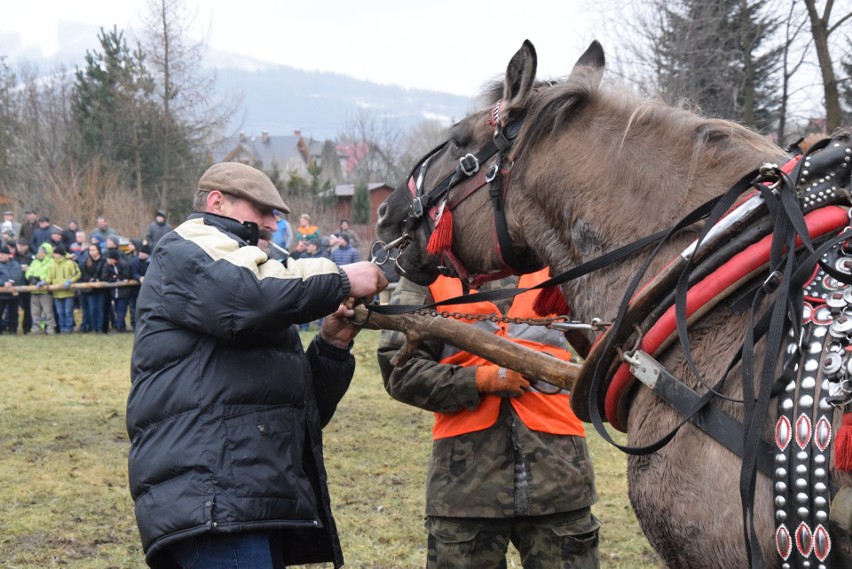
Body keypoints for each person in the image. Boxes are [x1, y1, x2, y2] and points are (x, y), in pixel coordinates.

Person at [126, 162, 388, 569]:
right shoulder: (187, 249)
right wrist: (340, 277)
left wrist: (332, 345)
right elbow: (249, 297)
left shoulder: (246, 273)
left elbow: (298, 412)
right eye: (262, 209)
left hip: (246, 497)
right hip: (214, 500)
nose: (272, 222)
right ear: (216, 202)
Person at [377, 269, 600, 569]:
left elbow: (610, 346)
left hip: (559, 474)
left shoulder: (556, 261)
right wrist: (480, 380)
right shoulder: (427, 272)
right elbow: (399, 370)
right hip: (465, 482)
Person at [45, 244, 81, 334]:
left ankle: (68, 328)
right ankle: (62, 328)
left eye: (55, 253)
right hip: (57, 293)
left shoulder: (70, 263)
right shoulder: (52, 265)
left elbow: (77, 274)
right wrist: (44, 282)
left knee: (68, 311)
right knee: (60, 312)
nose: (53, 255)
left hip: (69, 292)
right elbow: (49, 277)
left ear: (60, 254)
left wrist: (70, 281)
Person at [26, 243, 56, 335]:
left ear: (47, 253)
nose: (40, 254)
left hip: (45, 291)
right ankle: (36, 329)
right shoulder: (34, 262)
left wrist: (39, 278)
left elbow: (50, 274)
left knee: (48, 312)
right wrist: (30, 277)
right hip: (34, 290)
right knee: (34, 312)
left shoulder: (51, 262)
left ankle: (50, 329)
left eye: (42, 252)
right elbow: (28, 271)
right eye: (39, 252)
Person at [100, 249, 133, 332]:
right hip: (113, 292)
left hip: (124, 292)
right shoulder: (107, 265)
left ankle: (119, 327)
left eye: (109, 259)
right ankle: (121, 327)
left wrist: (115, 277)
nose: (107, 260)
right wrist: (115, 278)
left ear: (114, 259)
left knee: (121, 310)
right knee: (116, 310)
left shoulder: (124, 265)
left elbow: (125, 276)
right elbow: (104, 277)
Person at [79, 244, 107, 334]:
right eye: (90, 250)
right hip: (90, 290)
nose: (91, 252)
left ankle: (100, 328)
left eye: (93, 250)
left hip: (101, 289)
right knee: (92, 309)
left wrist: (98, 279)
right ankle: (93, 327)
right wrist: (89, 279)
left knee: (100, 309)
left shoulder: (103, 261)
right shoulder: (86, 262)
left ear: (98, 250)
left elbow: (105, 273)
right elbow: (83, 274)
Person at [0, 243, 25, 334]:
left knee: (13, 313)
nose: (1, 256)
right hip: (1, 294)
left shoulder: (15, 264)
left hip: (13, 293)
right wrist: (3, 283)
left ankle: (13, 329)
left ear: (8, 255)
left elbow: (19, 276)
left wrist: (13, 283)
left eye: (2, 254)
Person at [14, 240, 34, 333]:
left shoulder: (31, 257)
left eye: (22, 245)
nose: (20, 247)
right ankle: (12, 327)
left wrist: (28, 269)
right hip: (15, 285)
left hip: (27, 285)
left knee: (28, 309)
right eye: (19, 245)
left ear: (26, 246)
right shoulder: (13, 256)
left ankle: (27, 328)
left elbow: (35, 269)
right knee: (13, 308)